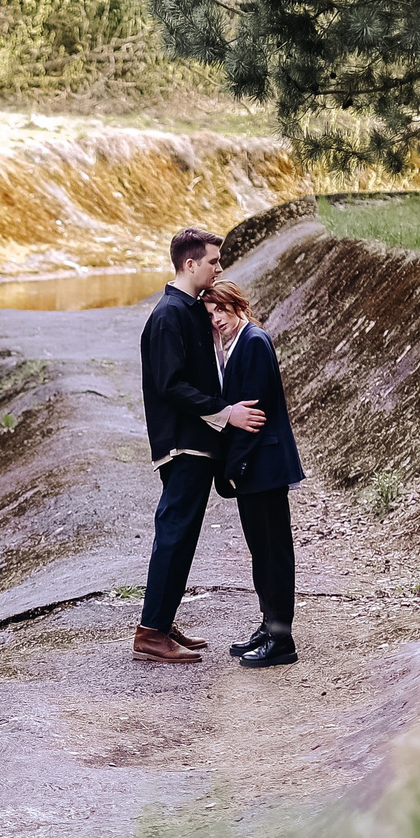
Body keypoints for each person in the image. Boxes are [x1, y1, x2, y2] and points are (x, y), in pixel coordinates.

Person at [134, 227, 263, 664]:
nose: (219, 268)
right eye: (213, 261)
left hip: (196, 443)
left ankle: (162, 622)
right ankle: (150, 632)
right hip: (182, 444)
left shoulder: (188, 310)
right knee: (174, 532)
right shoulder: (170, 314)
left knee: (182, 534)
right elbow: (170, 386)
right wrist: (228, 414)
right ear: (190, 264)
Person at [205, 280, 303, 667]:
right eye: (211, 316)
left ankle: (282, 641)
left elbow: (253, 418)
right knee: (261, 554)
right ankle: (268, 627)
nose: (217, 320)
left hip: (263, 467)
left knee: (274, 554)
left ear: (237, 306)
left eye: (221, 311)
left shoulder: (255, 342)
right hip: (253, 472)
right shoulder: (233, 346)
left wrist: (231, 470)